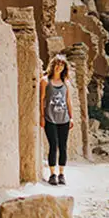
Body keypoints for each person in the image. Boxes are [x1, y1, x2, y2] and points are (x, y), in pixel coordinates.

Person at [39, 54, 73, 185]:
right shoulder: (45, 81)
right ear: (53, 65)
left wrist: (71, 117)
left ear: (64, 67)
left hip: (64, 119)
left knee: (63, 147)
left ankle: (61, 174)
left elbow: (68, 101)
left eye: (62, 64)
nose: (59, 67)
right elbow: (42, 100)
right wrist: (42, 116)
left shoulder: (66, 83)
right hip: (50, 118)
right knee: (53, 146)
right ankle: (52, 174)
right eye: (57, 64)